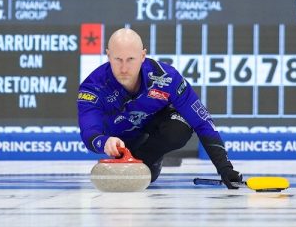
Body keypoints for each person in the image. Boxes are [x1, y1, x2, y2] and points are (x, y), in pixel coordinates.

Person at [77, 28, 242, 188]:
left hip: (152, 136)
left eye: (131, 59)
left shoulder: (166, 78)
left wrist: (225, 168)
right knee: (144, 178)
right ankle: (134, 160)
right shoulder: (92, 88)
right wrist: (105, 142)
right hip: (122, 143)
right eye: (118, 59)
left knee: (180, 127)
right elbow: (89, 131)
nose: (124, 68)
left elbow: (202, 121)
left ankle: (146, 158)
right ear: (108, 55)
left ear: (143, 56)